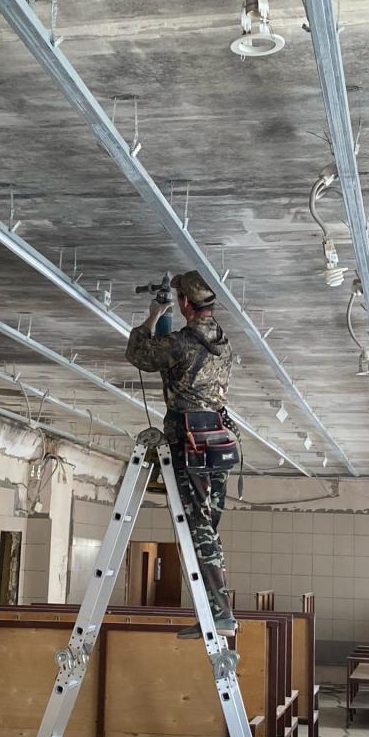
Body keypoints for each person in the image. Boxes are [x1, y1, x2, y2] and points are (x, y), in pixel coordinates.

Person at [126, 270, 236, 637]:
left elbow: (138, 353)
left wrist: (154, 316)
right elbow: (177, 360)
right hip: (217, 441)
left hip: (189, 442)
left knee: (198, 528)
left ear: (185, 303)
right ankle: (215, 611)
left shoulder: (182, 343)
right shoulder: (224, 343)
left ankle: (220, 614)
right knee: (207, 528)